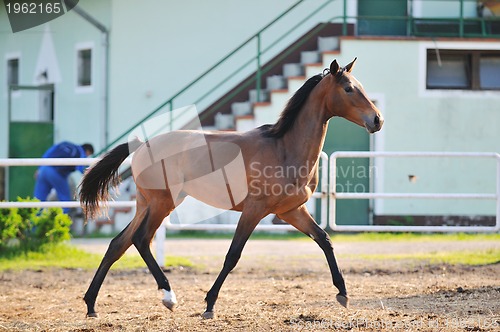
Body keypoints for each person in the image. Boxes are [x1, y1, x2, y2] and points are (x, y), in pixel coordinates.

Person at [34, 142, 94, 213]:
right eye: (88, 155)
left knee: (38, 200)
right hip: (57, 173)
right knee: (65, 200)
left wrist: (40, 168)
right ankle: (62, 221)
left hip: (44, 169)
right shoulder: (80, 152)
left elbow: (49, 152)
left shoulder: (64, 144)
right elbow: (81, 167)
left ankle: (35, 221)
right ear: (87, 151)